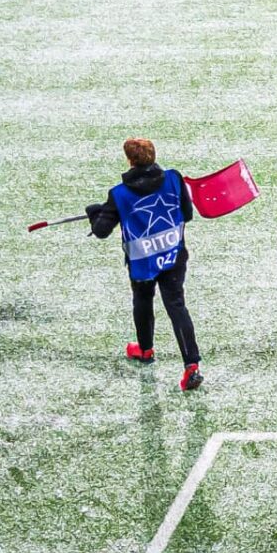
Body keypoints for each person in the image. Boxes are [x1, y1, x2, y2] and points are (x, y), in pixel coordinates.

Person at [86, 138, 203, 391]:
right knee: (176, 306)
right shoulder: (174, 178)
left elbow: (101, 231)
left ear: (130, 160)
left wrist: (96, 213)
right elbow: (188, 214)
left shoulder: (119, 194)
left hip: (142, 261)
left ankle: (146, 349)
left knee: (143, 300)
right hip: (173, 256)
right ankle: (191, 366)